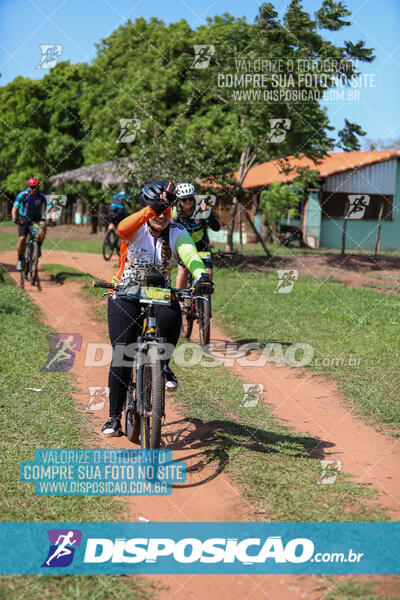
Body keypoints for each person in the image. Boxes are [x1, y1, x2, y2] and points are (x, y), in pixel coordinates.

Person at [102, 181, 213, 437]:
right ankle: (113, 417)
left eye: (166, 209)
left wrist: (202, 276)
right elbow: (121, 228)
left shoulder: (177, 230)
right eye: (157, 210)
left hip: (159, 292)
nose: (162, 215)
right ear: (148, 208)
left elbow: (190, 254)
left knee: (173, 313)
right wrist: (151, 209)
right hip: (125, 292)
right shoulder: (135, 228)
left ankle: (162, 366)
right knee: (123, 355)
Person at [172, 182, 220, 289]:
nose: (188, 201)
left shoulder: (201, 209)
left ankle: (204, 299)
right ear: (179, 200)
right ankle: (181, 299)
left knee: (207, 272)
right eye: (184, 199)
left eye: (191, 198)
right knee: (183, 270)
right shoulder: (175, 213)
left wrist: (207, 214)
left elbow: (216, 228)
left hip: (201, 245)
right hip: (184, 246)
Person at [11, 177, 47, 271]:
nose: (33, 189)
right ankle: (19, 259)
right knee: (22, 238)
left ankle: (38, 246)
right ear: (28, 186)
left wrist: (53, 219)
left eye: (35, 187)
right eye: (31, 187)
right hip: (23, 219)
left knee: (43, 227)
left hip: (36, 220)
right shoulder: (23, 194)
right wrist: (14, 218)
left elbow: (50, 208)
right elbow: (15, 208)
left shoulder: (42, 196)